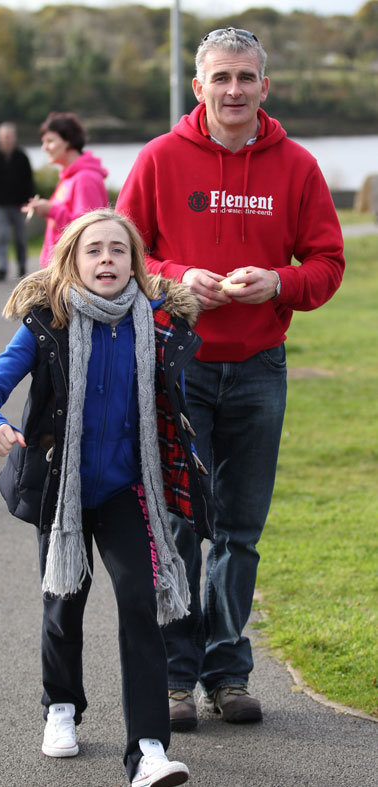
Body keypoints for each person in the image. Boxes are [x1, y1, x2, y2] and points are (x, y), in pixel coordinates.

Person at [116, 26, 345, 729]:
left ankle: (227, 668)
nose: (234, 90)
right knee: (181, 526)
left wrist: (277, 281)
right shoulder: (159, 159)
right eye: (221, 78)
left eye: (246, 77)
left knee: (240, 532)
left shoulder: (298, 167)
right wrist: (182, 280)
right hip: (177, 367)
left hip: (258, 369)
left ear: (264, 86)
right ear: (199, 86)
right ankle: (177, 677)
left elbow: (327, 264)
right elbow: (124, 255)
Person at [0, 208, 213, 787]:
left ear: (135, 262)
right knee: (63, 601)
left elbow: (173, 407)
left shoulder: (157, 325)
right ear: (72, 260)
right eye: (94, 250)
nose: (107, 260)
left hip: (129, 490)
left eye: (118, 250)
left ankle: (148, 748)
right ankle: (61, 708)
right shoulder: (46, 324)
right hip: (63, 487)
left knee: (139, 603)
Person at [23, 111, 109, 268]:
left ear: (68, 141)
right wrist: (45, 209)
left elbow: (88, 229)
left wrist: (51, 210)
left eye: (49, 141)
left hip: (73, 270)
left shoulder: (85, 178)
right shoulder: (69, 177)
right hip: (62, 267)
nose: (44, 147)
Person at [0, 122, 35, 281]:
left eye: (9, 136)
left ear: (14, 138)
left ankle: (22, 266)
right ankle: (2, 267)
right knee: (1, 236)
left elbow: (29, 181)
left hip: (19, 204)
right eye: (4, 137)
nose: (7, 140)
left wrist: (30, 202)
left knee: (20, 237)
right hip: (0, 205)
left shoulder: (22, 158)